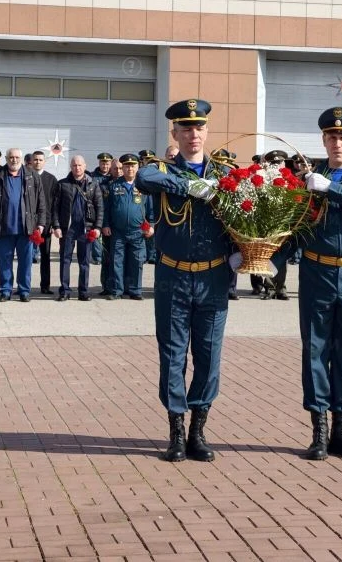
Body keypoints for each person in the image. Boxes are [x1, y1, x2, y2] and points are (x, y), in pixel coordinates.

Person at [270, 106, 342, 461]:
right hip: (316, 272)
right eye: (332, 136)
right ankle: (318, 430)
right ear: (323, 140)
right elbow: (294, 225)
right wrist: (268, 260)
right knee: (316, 348)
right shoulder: (308, 180)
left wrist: (331, 189)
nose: (338, 142)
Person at [135, 99, 234, 463]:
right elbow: (144, 178)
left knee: (208, 355)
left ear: (207, 132)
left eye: (199, 128)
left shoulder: (224, 173)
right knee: (173, 354)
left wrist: (241, 251)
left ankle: (197, 431)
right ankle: (176, 430)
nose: (194, 135)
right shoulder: (160, 169)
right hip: (173, 275)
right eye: (186, 129)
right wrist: (190, 185)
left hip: (213, 276)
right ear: (174, 134)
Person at [0, 148, 49, 302]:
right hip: (3, 227)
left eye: (17, 157)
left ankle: (24, 290)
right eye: (11, 157)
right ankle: (5, 291)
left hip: (26, 228)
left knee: (26, 262)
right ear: (6, 158)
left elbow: (41, 202)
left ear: (22, 158)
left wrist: (41, 223)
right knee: (4, 261)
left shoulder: (32, 176)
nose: (14, 160)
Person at [52, 155, 104, 301]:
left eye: (80, 165)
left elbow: (100, 207)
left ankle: (83, 291)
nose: (77, 168)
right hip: (67, 228)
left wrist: (98, 227)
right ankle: (65, 291)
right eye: (74, 165)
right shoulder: (62, 184)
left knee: (84, 261)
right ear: (71, 167)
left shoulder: (93, 184)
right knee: (65, 260)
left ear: (85, 166)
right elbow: (55, 208)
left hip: (86, 229)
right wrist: (56, 226)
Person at [103, 153, 155, 300]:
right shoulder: (114, 186)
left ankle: (135, 290)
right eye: (126, 166)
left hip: (138, 231)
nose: (130, 169)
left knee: (137, 262)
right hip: (118, 232)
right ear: (122, 168)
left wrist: (151, 225)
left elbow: (151, 210)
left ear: (138, 167)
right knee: (116, 262)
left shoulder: (144, 187)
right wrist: (105, 225)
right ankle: (116, 291)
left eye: (132, 166)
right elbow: (107, 208)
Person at [259, 149, 292, 299]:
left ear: (284, 163)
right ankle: (269, 288)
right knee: (268, 255)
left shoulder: (289, 178)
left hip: (284, 222)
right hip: (267, 223)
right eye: (273, 163)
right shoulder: (264, 178)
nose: (276, 165)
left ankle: (281, 288)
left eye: (279, 162)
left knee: (282, 256)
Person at [29, 151, 59, 293]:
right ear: (31, 161)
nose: (38, 162)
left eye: (40, 160)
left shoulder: (51, 179)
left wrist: (53, 223)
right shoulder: (25, 176)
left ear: (44, 161)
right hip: (28, 223)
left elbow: (55, 204)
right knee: (25, 256)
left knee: (45, 256)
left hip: (45, 224)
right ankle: (24, 286)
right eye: (35, 159)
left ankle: (45, 286)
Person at [90, 152, 115, 276]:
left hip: (110, 211)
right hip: (96, 210)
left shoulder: (114, 176)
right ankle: (97, 256)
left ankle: (105, 255)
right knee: (95, 234)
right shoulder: (92, 177)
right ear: (99, 163)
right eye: (103, 163)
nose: (105, 166)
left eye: (107, 163)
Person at [138, 149, 159, 265]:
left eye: (150, 160)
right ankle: (144, 255)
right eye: (146, 160)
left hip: (153, 203)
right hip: (142, 201)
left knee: (152, 227)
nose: (148, 162)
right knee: (142, 227)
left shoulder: (157, 172)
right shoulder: (138, 173)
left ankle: (152, 255)